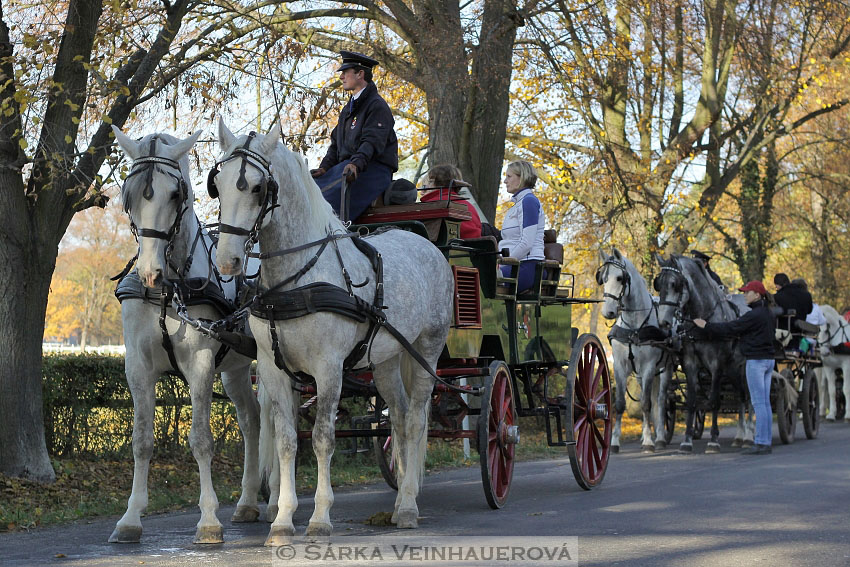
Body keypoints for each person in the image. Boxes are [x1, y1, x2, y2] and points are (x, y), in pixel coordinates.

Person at [310, 51, 398, 221]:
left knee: (324, 201)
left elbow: (371, 142)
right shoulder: (348, 108)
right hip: (346, 167)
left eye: (345, 72)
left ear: (360, 74)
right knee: (309, 191)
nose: (341, 77)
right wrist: (325, 167)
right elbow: (336, 143)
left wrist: (356, 163)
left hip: (371, 170)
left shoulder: (377, 106)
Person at [693, 281, 776, 455]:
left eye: (748, 292)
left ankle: (760, 442)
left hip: (756, 361)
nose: (744, 295)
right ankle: (766, 441)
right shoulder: (767, 313)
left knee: (759, 403)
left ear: (757, 295)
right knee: (765, 404)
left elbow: (730, 328)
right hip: (769, 360)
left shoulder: (753, 315)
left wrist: (705, 326)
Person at [498, 160, 545, 292]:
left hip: (527, 266)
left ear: (521, 178)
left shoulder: (529, 201)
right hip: (514, 265)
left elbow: (527, 243)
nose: (505, 181)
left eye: (509, 176)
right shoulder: (517, 204)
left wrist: (502, 263)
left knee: (482, 280)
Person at [419, 164, 482, 239]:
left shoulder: (433, 204)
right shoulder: (469, 205)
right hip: (474, 246)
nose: (422, 191)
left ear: (433, 182)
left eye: (428, 183)